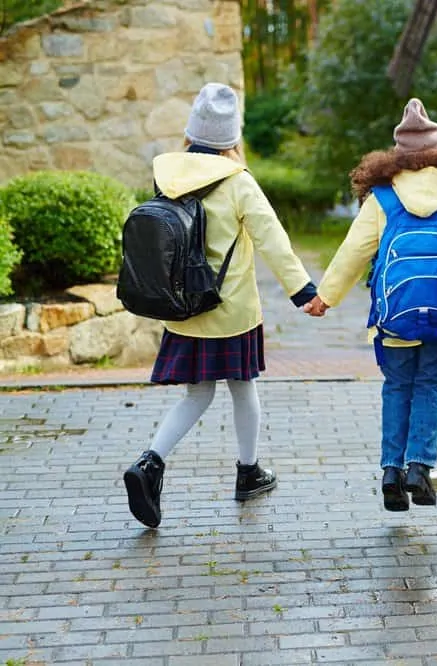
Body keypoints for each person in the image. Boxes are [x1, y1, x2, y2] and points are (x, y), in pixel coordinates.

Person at [123, 83, 318, 529]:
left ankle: (150, 462)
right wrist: (304, 292)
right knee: (242, 387)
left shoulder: (166, 174)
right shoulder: (238, 182)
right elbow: (273, 240)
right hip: (231, 309)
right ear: (233, 138)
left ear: (191, 132)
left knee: (197, 394)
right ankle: (248, 472)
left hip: (182, 308)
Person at [304, 99, 437, 512]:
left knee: (398, 386)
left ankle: (391, 471)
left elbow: (355, 249)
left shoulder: (383, 199)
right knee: (431, 385)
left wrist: (326, 296)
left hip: (395, 318)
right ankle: (420, 468)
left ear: (396, 158)